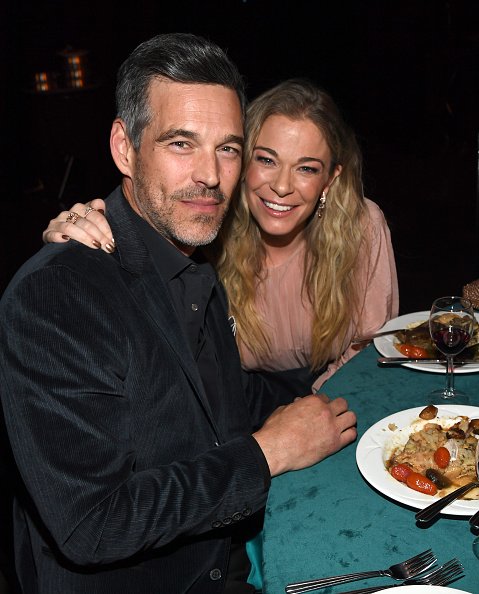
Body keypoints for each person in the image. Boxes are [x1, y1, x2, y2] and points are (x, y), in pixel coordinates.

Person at [0, 33, 357, 593]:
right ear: (124, 147)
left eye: (228, 148)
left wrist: (329, 382)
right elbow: (93, 524)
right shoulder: (57, 298)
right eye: (181, 144)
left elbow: (220, 399)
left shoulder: (190, 263)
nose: (210, 176)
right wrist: (268, 453)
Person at [43, 79, 399, 392]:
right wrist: (80, 227)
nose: (282, 186)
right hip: (241, 415)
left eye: (306, 168)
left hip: (343, 398)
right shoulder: (206, 230)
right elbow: (145, 218)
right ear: (241, 161)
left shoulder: (360, 226)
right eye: (267, 160)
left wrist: (313, 411)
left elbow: (371, 351)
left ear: (330, 179)